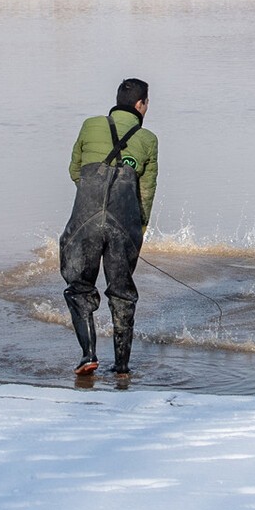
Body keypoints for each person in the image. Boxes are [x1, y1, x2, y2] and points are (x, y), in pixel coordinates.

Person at [60, 78, 158, 380]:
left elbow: (75, 170)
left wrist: (94, 197)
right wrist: (136, 228)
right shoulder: (148, 140)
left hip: (84, 221)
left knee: (79, 288)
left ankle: (89, 355)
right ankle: (122, 366)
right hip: (123, 227)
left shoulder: (90, 125)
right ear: (141, 105)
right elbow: (146, 193)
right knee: (122, 294)